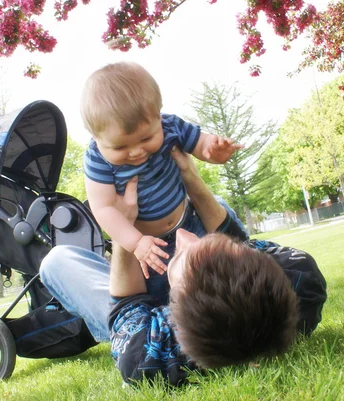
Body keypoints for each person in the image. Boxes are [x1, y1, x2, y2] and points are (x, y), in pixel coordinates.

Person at [40, 148, 327, 385]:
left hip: (141, 311)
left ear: (172, 312)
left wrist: (125, 230)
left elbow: (126, 309)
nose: (181, 235)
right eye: (204, 242)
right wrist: (190, 176)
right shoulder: (301, 277)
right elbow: (240, 243)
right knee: (218, 204)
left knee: (56, 262)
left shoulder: (147, 353)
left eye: (180, 256)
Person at [81, 61, 243, 293]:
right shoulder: (97, 159)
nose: (136, 151)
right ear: (95, 137)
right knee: (164, 292)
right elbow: (104, 209)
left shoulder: (170, 126)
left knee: (220, 277)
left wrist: (212, 149)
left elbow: (199, 141)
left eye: (146, 139)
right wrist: (136, 243)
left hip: (190, 225)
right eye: (120, 147)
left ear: (158, 116)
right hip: (149, 244)